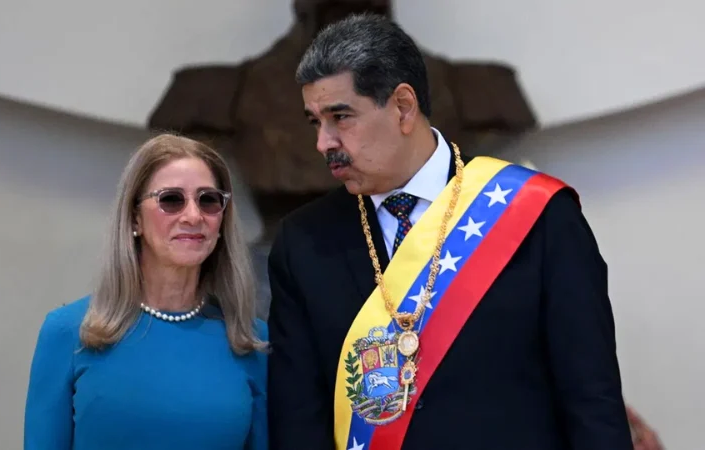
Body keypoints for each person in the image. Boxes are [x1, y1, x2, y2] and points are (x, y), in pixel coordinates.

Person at [266, 13, 635, 450]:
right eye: (315, 121)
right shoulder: (303, 243)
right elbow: (299, 423)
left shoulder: (539, 216)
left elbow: (592, 401)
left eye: (340, 117)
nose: (323, 143)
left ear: (403, 107)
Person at [24, 134, 268, 450]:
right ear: (135, 218)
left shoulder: (249, 340)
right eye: (171, 200)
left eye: (208, 200)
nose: (193, 216)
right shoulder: (68, 333)